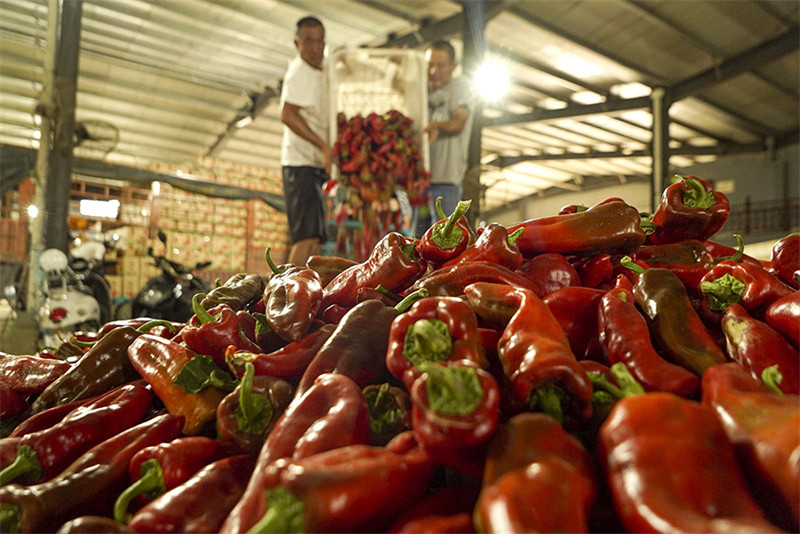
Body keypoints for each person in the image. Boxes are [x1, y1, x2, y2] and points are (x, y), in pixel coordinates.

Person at [280, 16, 332, 266]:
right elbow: (287, 114)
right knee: (305, 236)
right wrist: (323, 146)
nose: (315, 48)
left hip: (316, 166)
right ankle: (283, 294)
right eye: (308, 42)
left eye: (320, 41)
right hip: (300, 164)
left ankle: (306, 293)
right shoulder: (299, 72)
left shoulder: (324, 69)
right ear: (297, 43)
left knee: (317, 240)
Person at [414, 40, 474, 236]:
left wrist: (435, 126)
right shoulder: (421, 90)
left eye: (440, 65)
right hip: (419, 181)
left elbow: (458, 124)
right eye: (430, 64)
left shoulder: (460, 87)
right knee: (414, 240)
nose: (433, 71)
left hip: (446, 180)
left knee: (443, 239)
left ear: (453, 67)